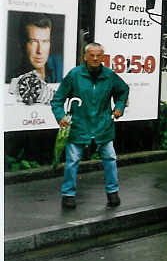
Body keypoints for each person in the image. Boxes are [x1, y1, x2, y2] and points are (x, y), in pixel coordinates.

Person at [51, 42, 129, 209]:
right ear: (84, 57)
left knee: (110, 159)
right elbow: (57, 100)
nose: (95, 58)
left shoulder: (109, 75)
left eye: (98, 55)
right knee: (72, 161)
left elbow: (123, 90)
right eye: (91, 55)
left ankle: (113, 193)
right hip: (79, 126)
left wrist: (119, 107)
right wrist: (60, 117)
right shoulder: (74, 75)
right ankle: (68, 194)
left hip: (103, 125)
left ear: (103, 57)